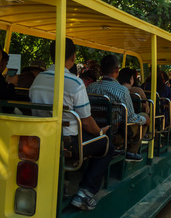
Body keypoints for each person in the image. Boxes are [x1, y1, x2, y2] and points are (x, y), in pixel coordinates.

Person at [29, 38, 113, 211]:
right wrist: (100, 133)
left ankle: (64, 184)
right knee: (106, 145)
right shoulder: (74, 83)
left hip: (41, 137)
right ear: (73, 57)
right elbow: (87, 122)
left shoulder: (37, 80)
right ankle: (85, 192)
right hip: (68, 143)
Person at [87, 55, 150, 162]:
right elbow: (131, 118)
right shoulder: (122, 91)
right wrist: (145, 120)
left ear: (101, 70)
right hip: (114, 135)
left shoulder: (90, 87)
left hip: (92, 131)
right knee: (144, 116)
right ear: (117, 70)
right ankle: (131, 151)